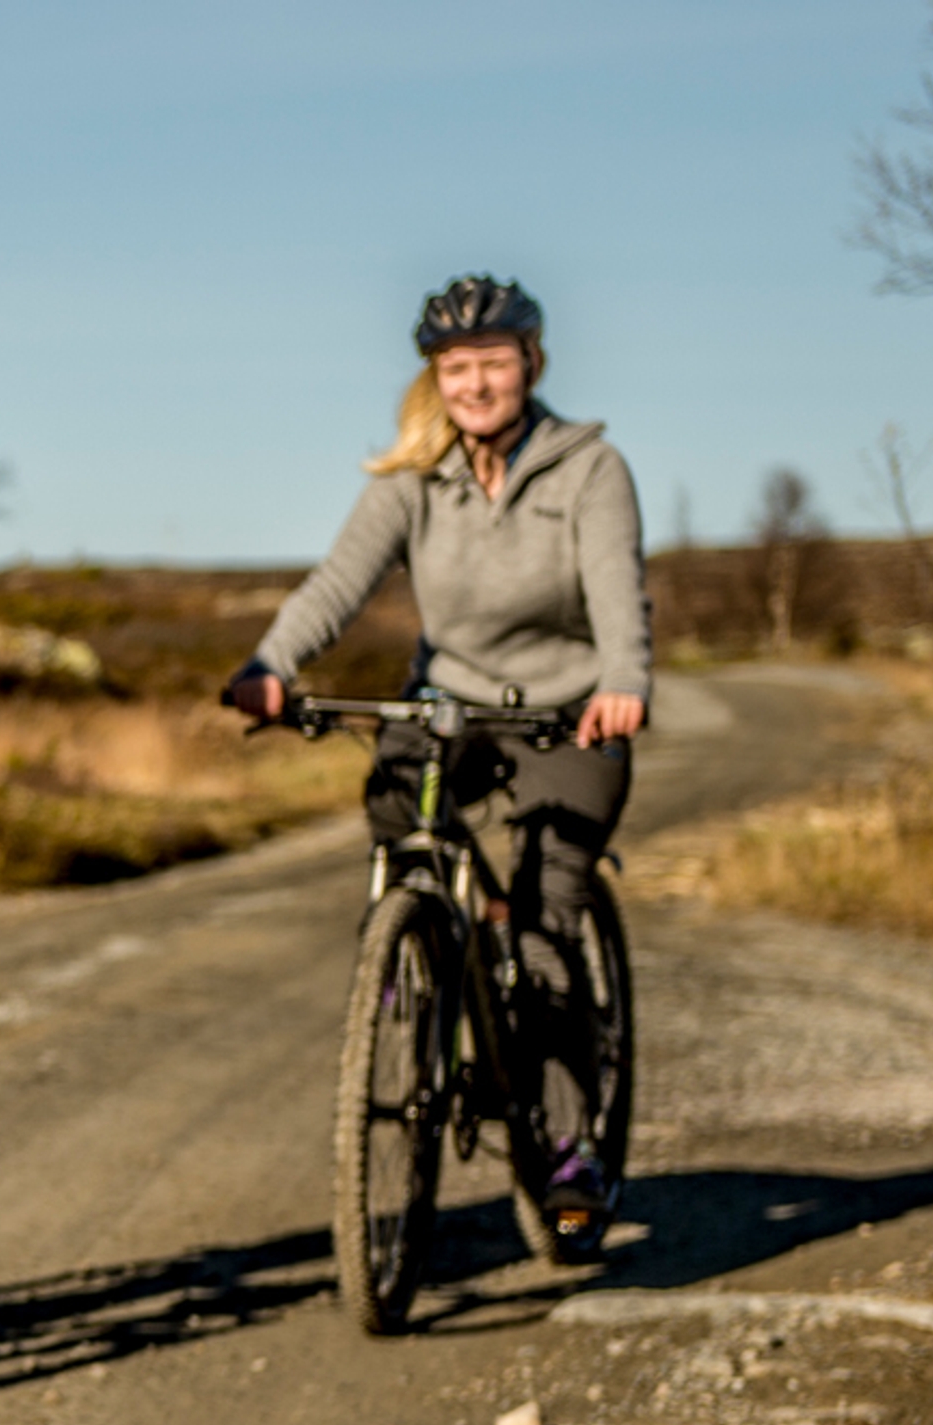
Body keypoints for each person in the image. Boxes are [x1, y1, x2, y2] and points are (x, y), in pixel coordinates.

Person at [226, 274, 651, 1235]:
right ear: (436, 378)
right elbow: (337, 585)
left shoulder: (589, 470)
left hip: (567, 716)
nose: (475, 383)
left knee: (546, 931)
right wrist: (271, 662)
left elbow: (619, 592)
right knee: (391, 792)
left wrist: (624, 684)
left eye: (493, 363)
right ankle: (429, 940)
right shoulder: (415, 478)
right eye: (456, 367)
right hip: (449, 704)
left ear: (530, 364)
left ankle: (569, 1144)